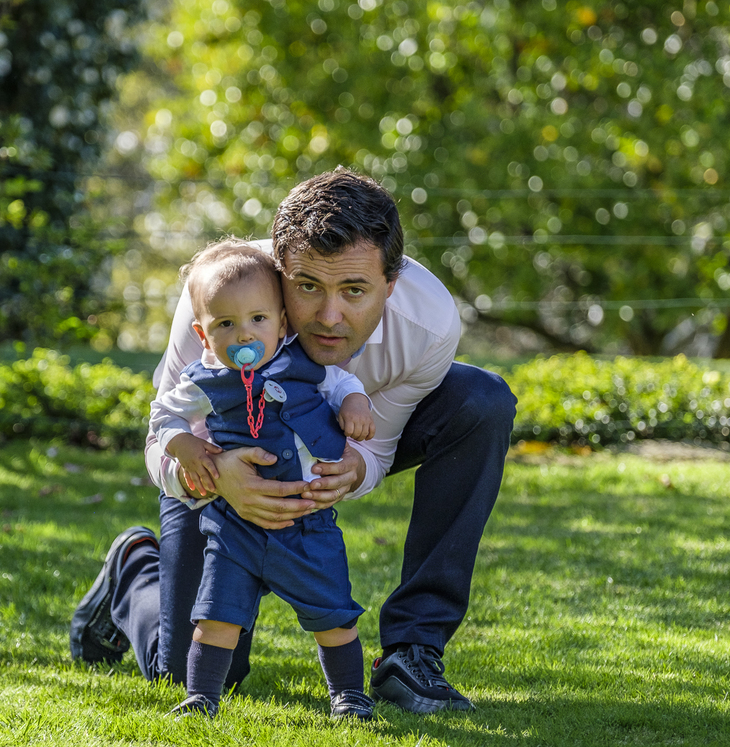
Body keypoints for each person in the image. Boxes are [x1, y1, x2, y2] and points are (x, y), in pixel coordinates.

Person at [71, 167, 517, 715]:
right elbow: (161, 439)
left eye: (354, 290)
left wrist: (350, 472)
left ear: (390, 283)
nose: (330, 318)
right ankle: (136, 566)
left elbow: (377, 450)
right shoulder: (220, 298)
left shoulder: (428, 326)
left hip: (324, 449)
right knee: (189, 666)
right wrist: (216, 475)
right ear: (280, 273)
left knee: (482, 399)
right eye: (307, 287)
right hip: (223, 466)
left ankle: (413, 650)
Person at [150, 238, 376, 719]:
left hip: (306, 523)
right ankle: (202, 697)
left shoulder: (307, 364)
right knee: (215, 615)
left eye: (257, 320)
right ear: (203, 333)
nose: (243, 335)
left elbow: (344, 384)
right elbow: (162, 417)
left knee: (333, 614)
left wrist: (356, 405)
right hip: (234, 525)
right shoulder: (204, 381)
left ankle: (349, 695)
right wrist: (186, 448)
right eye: (225, 325)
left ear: (282, 322)